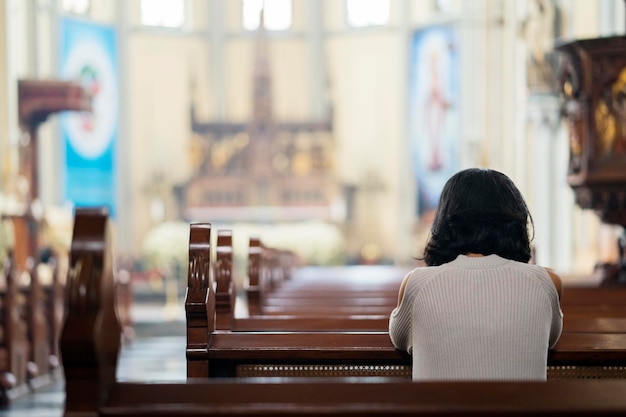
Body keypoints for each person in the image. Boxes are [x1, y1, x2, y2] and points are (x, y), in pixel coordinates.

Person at [389, 168, 563, 381]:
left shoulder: (417, 284)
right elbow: (550, 338)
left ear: (445, 221)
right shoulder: (546, 283)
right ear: (515, 220)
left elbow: (399, 339)